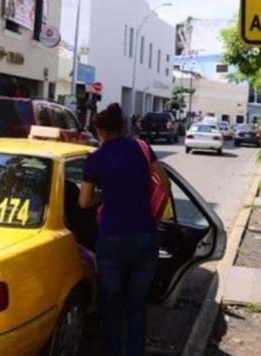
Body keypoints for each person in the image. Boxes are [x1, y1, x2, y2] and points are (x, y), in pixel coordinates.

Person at [79, 103, 170, 356]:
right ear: (122, 127)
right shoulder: (142, 149)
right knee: (137, 307)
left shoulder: (96, 159)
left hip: (112, 239)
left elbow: (84, 202)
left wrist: (103, 196)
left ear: (100, 131)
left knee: (112, 306)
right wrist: (154, 215)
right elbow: (164, 182)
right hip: (145, 237)